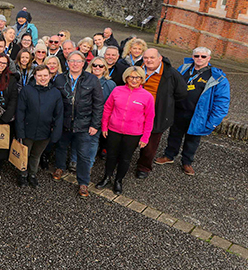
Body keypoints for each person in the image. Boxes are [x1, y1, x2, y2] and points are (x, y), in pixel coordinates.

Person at [156, 47, 231, 176]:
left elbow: (222, 103)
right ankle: (169, 155)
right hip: (178, 111)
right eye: (196, 56)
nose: (199, 59)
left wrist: (212, 122)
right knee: (174, 135)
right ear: (192, 57)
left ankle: (187, 162)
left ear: (209, 58)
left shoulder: (218, 78)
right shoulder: (183, 69)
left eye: (203, 56)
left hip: (198, 115)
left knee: (192, 140)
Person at [95, 67, 155, 194]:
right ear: (126, 78)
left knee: (125, 158)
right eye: (131, 77)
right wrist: (104, 126)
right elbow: (107, 108)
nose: (134, 80)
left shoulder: (147, 96)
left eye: (137, 77)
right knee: (111, 156)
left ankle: (118, 180)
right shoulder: (117, 90)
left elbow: (149, 118)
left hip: (133, 134)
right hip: (114, 130)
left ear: (142, 79)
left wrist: (145, 137)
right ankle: (107, 177)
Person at [52, 51, 104, 197]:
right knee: (61, 147)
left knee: (84, 155)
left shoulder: (92, 80)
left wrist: (95, 124)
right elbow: (55, 102)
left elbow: (99, 104)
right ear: (67, 63)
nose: (75, 64)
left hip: (85, 124)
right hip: (64, 122)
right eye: (72, 61)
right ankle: (59, 168)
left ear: (83, 63)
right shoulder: (59, 79)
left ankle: (83, 182)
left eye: (78, 61)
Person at [132, 49, 187, 180]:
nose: (148, 60)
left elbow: (182, 93)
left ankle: (143, 167)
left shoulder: (170, 73)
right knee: (130, 139)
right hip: (134, 112)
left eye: (152, 57)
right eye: (146, 58)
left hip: (157, 114)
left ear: (160, 58)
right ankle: (123, 161)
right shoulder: (136, 69)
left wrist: (166, 104)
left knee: (150, 145)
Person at [15, 66, 63, 188]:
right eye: (40, 75)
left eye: (45, 75)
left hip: (45, 131)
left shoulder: (55, 93)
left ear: (50, 76)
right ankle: (23, 175)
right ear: (35, 76)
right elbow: (20, 112)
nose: (43, 78)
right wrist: (19, 131)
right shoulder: (27, 90)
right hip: (27, 130)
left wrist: (55, 134)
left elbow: (59, 114)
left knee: (36, 155)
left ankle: (32, 175)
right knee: (25, 154)